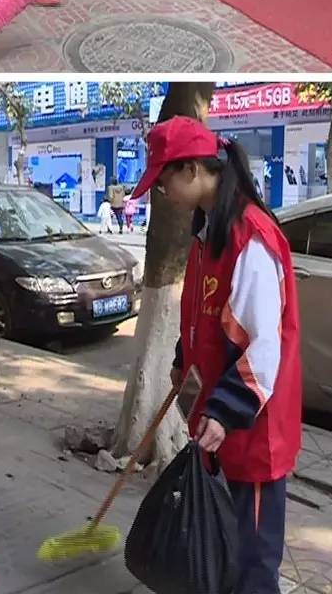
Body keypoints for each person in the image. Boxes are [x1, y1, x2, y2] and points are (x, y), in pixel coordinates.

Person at [133, 116, 301, 594]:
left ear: (191, 171)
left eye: (162, 181)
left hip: (253, 433)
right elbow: (205, 317)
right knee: (224, 549)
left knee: (253, 565)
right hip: (220, 427)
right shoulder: (209, 235)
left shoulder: (251, 238)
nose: (160, 192)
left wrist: (225, 412)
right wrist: (182, 359)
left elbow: (263, 347)